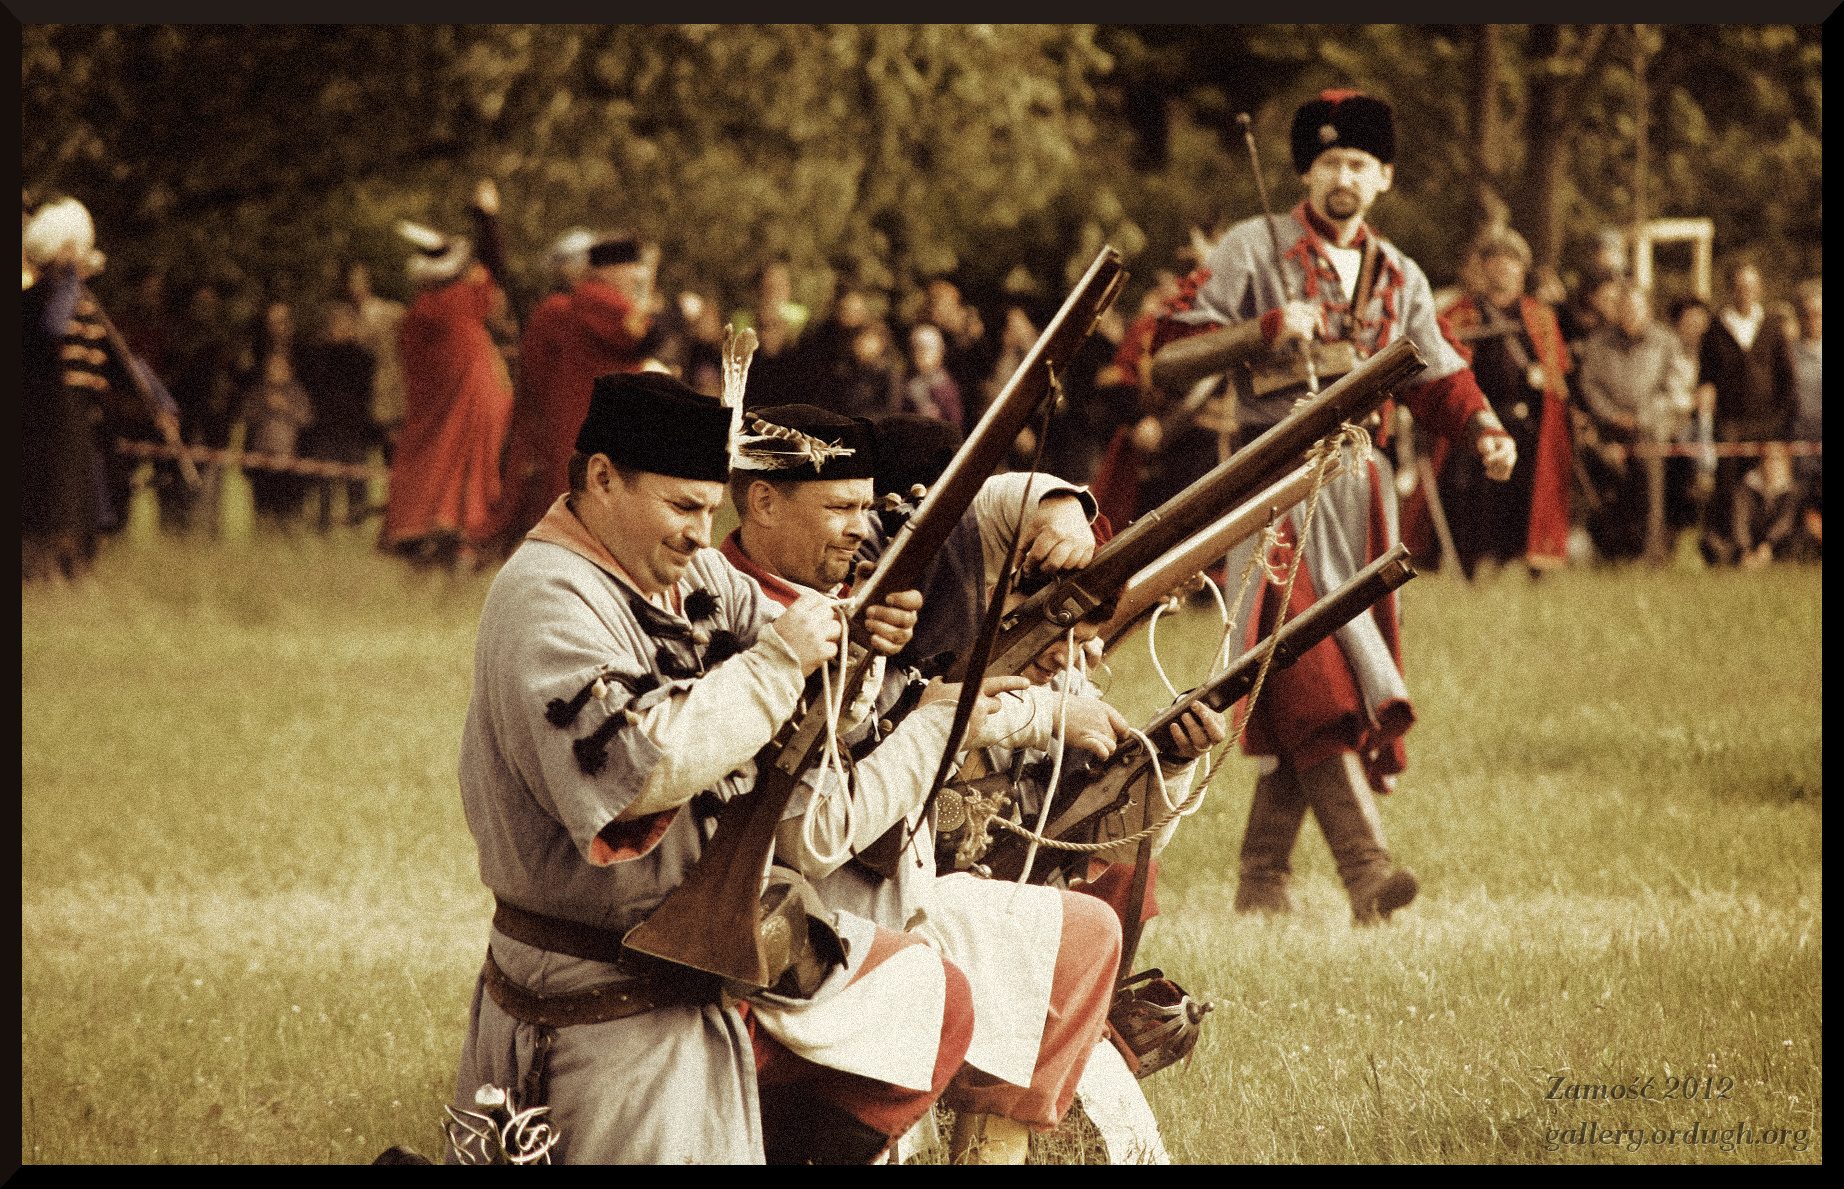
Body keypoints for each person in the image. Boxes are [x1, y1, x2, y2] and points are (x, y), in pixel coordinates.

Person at [450, 370, 977, 1164]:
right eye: (683, 506)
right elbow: (641, 766)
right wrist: (782, 662)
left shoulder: (683, 569)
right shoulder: (547, 596)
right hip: (593, 994)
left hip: (678, 978)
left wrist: (858, 633)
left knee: (926, 999)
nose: (704, 534)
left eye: (709, 508)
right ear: (603, 478)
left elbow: (792, 647)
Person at [719, 403, 1183, 1163]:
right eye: (841, 509)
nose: (862, 530)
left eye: (867, 510)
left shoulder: (840, 605)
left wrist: (1062, 514)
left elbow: (938, 698)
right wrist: (1004, 712)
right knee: (954, 985)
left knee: (1082, 934)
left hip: (890, 890)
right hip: (802, 913)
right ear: (764, 502)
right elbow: (817, 831)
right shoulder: (756, 617)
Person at [1140, 90, 1517, 924]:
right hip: (1274, 486)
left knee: (1312, 682)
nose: (1344, 177)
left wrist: (1485, 428)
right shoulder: (1252, 245)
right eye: (1329, 162)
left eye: (1359, 164)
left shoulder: (1401, 272)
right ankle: (1366, 873)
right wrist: (1264, 328)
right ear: (1306, 173)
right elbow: (1165, 354)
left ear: (1383, 178)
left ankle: (1261, 882)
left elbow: (1439, 371)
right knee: (1317, 675)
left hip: (1359, 491)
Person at [22, 197, 180, 579]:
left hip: (85, 425)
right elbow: (53, 327)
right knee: (54, 509)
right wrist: (72, 280)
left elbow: (121, 359)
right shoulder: (35, 299)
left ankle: (78, 573)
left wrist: (159, 400)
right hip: (47, 425)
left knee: (90, 508)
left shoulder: (87, 305)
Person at [381, 179, 518, 570]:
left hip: (432, 415)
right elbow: (493, 266)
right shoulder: (457, 303)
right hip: (471, 411)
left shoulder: (416, 316)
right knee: (471, 480)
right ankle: (463, 541)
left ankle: (420, 533)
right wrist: (487, 217)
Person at [1427, 225, 1574, 576]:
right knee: (1469, 493)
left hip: (1525, 420)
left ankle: (1518, 559)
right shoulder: (1461, 312)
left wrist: (1543, 377)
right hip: (1475, 418)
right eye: (1495, 260)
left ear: (1522, 268)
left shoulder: (1540, 317)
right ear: (1484, 267)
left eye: (1511, 261)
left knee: (1523, 492)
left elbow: (1558, 374)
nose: (1503, 267)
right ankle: (1471, 560)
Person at [504, 233, 661, 542]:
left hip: (592, 410)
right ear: (609, 270)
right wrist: (676, 313)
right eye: (630, 268)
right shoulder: (598, 297)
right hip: (587, 411)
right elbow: (646, 339)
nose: (636, 277)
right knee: (583, 497)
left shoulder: (588, 299)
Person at [1574, 282, 1694, 562]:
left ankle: (1652, 552)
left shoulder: (1667, 342)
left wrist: (1642, 417)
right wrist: (1611, 414)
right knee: (1606, 488)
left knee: (1652, 493)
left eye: (1635, 308)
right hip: (1608, 429)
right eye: (1624, 308)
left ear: (1647, 310)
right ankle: (1613, 548)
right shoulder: (1598, 343)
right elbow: (1589, 384)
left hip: (1651, 431)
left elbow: (1676, 386)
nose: (1629, 314)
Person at [342, 263, 408, 448]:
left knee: (392, 437)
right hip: (359, 388)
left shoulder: (386, 311)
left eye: (359, 282)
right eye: (351, 283)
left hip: (386, 382)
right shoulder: (346, 314)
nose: (355, 288)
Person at [903, 323, 964, 428]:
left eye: (925, 350)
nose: (920, 355)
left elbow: (955, 420)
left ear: (939, 353)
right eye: (916, 350)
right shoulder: (908, 381)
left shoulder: (944, 385)